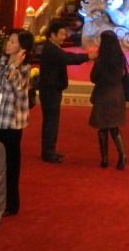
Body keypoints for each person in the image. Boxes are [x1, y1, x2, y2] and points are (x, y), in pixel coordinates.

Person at [0, 28, 35, 216]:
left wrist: (16, 66)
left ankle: (11, 204)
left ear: (23, 48)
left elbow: (16, 88)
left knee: (11, 164)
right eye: (9, 40)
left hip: (11, 122)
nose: (8, 43)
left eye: (13, 42)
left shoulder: (24, 69)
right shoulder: (3, 62)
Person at [39, 19, 96, 163]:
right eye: (61, 34)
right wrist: (87, 56)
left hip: (51, 89)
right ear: (52, 34)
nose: (64, 37)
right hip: (50, 90)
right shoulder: (51, 49)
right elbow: (68, 58)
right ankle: (48, 152)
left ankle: (49, 150)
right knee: (51, 121)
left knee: (51, 121)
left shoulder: (52, 47)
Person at [89, 29, 129, 169]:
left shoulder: (101, 60)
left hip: (103, 94)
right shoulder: (120, 57)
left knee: (102, 128)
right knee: (114, 127)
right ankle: (122, 155)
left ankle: (104, 159)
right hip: (117, 94)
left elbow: (93, 78)